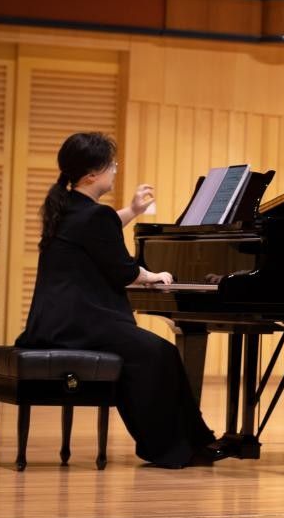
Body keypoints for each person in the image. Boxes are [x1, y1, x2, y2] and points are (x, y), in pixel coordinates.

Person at [16, 132, 230, 468]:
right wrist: (153, 275)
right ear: (92, 175)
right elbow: (124, 271)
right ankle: (171, 447)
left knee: (155, 353)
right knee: (158, 354)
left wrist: (133, 210)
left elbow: (99, 229)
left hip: (53, 323)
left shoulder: (66, 207)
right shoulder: (92, 215)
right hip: (81, 323)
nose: (115, 170)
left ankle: (193, 441)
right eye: (112, 166)